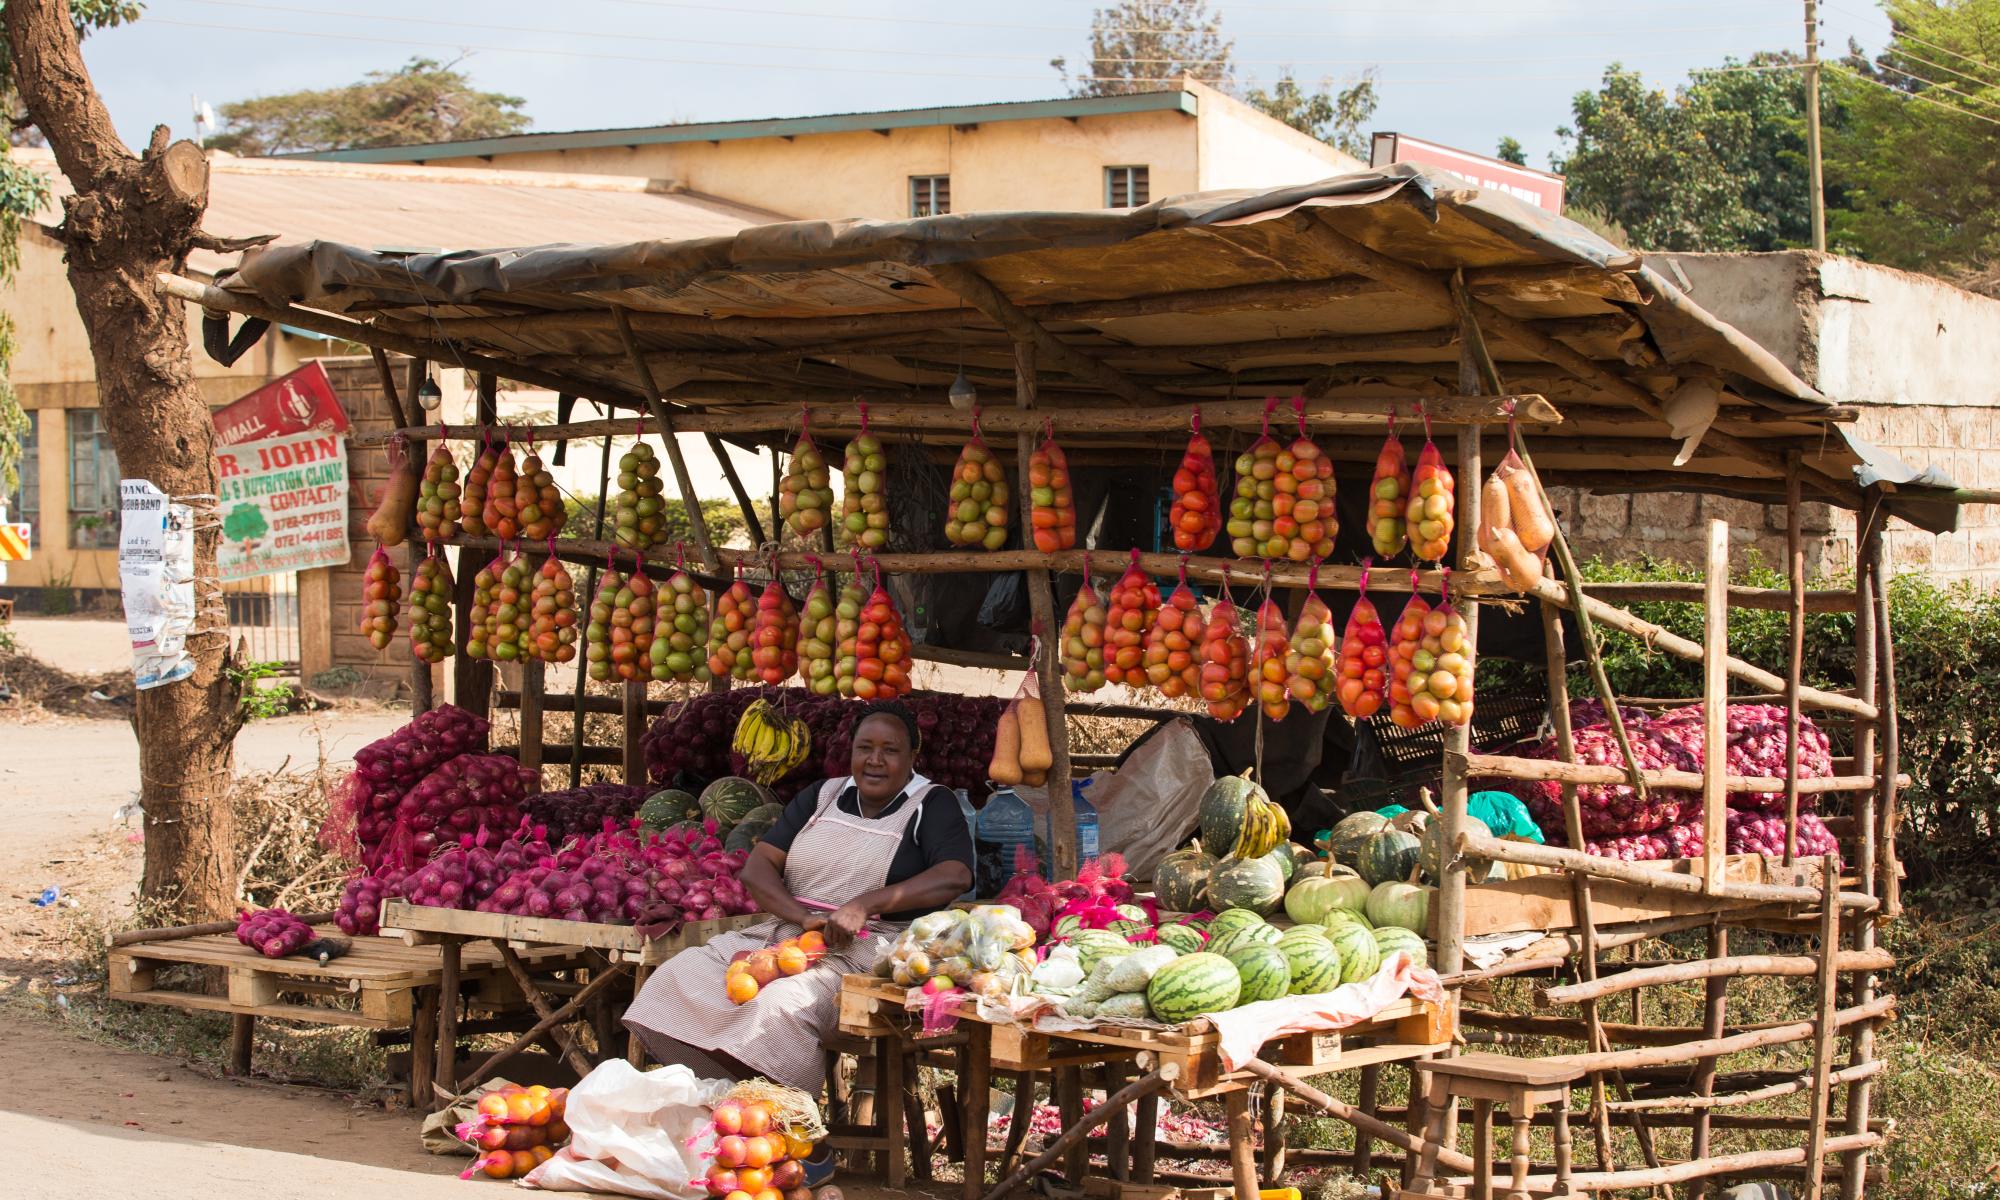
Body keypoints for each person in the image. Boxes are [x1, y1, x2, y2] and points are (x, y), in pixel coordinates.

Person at [623, 700, 974, 1096]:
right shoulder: (821, 797)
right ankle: (736, 1104)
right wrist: (802, 917)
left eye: (890, 750)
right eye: (865, 748)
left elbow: (955, 875)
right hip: (786, 934)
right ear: (852, 750)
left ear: (912, 755)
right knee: (679, 974)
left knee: (777, 1006)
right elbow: (758, 867)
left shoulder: (931, 804)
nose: (875, 760)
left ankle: (798, 1129)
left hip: (865, 950)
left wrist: (865, 904)